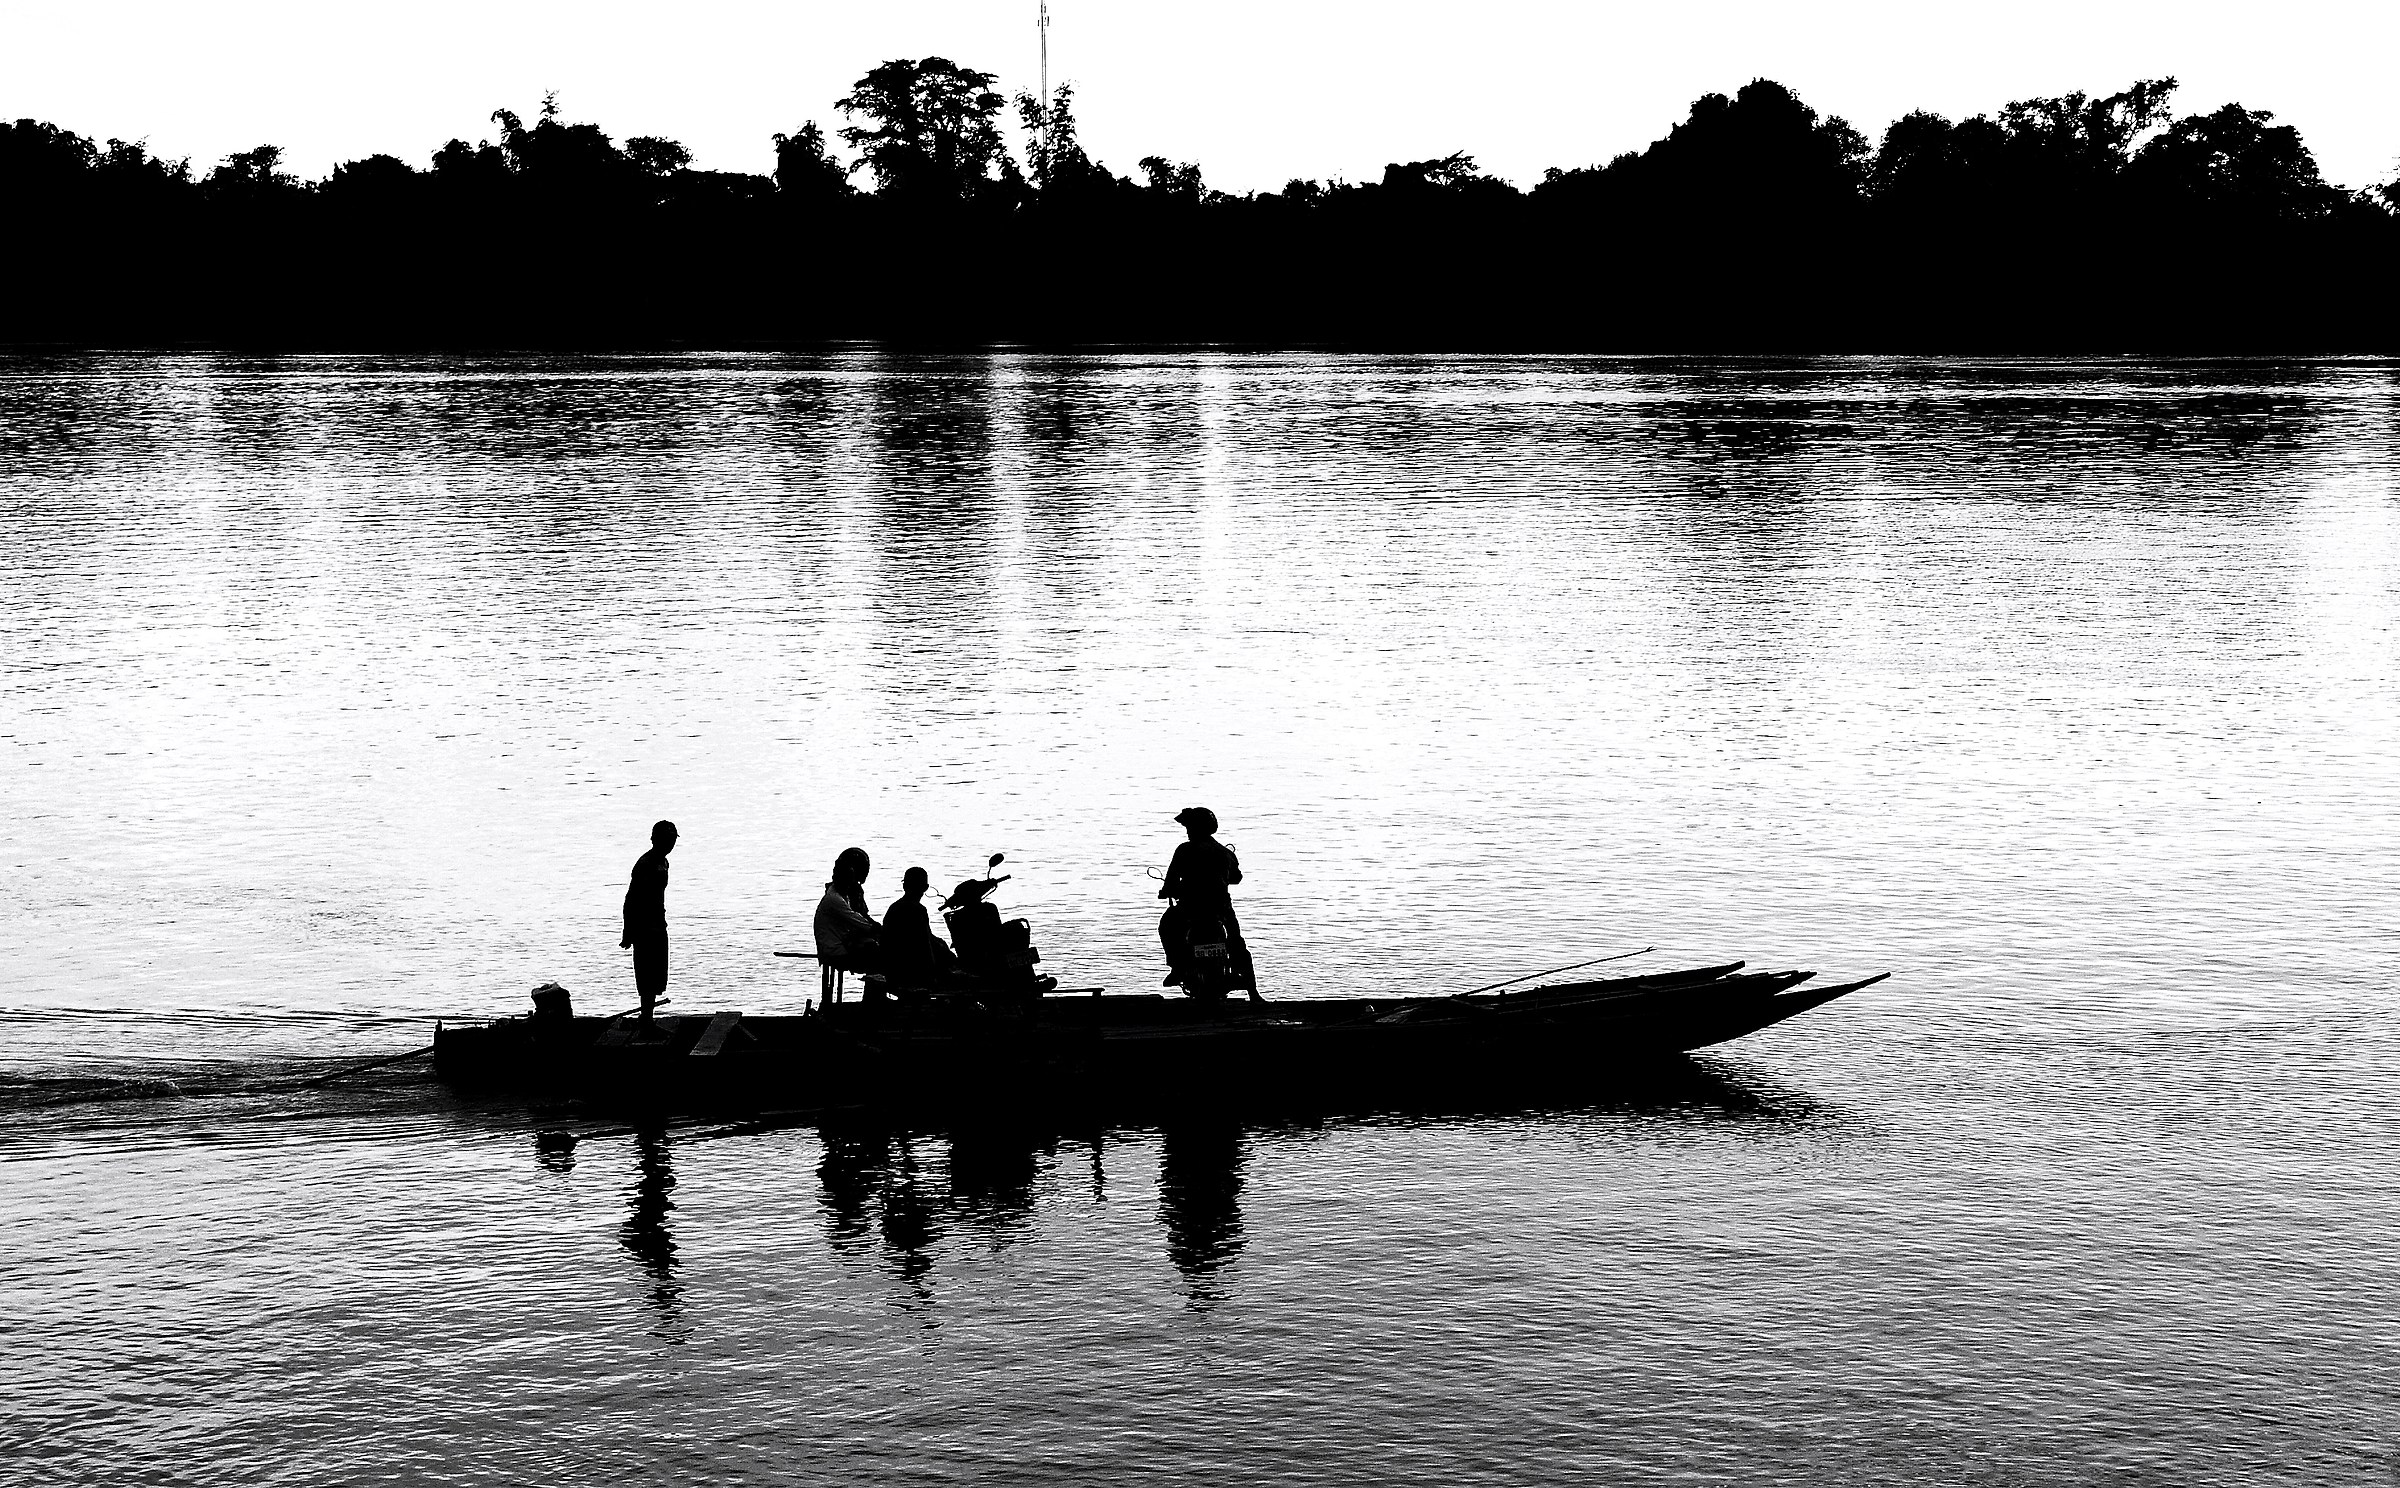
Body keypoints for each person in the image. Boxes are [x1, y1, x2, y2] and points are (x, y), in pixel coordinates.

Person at [1158, 806, 1245, 988]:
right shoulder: (1225, 852)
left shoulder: (1184, 850)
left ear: (1196, 828)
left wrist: (1166, 891)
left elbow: (1171, 879)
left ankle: (1177, 967)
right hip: (1221, 907)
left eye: (1189, 827)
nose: (1188, 832)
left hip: (1191, 906)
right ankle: (1249, 985)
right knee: (1236, 940)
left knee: (1167, 925)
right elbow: (1236, 878)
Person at [620, 820, 678, 1023]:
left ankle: (648, 1018)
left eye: (672, 840)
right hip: (644, 927)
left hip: (659, 924)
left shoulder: (664, 862)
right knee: (646, 975)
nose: (671, 844)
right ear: (655, 840)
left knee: (658, 975)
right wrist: (628, 931)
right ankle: (646, 1020)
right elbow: (631, 899)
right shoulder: (645, 864)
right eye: (667, 839)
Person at [881, 866, 954, 992]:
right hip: (912, 973)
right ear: (925, 888)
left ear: (904, 886)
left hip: (892, 971)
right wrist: (933, 975)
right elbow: (925, 946)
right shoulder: (918, 910)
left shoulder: (894, 908)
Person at [814, 847, 882, 973]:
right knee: (878, 955)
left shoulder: (843, 894)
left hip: (842, 943)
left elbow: (861, 918)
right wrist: (879, 930)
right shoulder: (835, 899)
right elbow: (858, 920)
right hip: (835, 952)